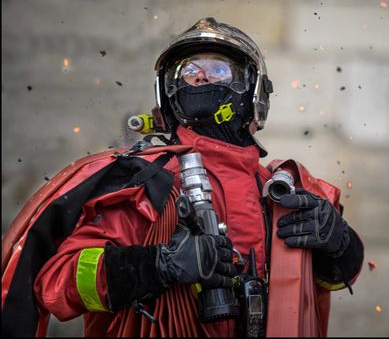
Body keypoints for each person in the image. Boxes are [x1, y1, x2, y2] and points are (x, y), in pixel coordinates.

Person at [1, 17, 364, 337]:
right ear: (168, 93)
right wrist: (158, 264)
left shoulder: (284, 191)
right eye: (189, 71)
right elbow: (57, 283)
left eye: (219, 69)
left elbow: (329, 281)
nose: (202, 76)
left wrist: (340, 243)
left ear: (252, 91)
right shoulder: (144, 185)